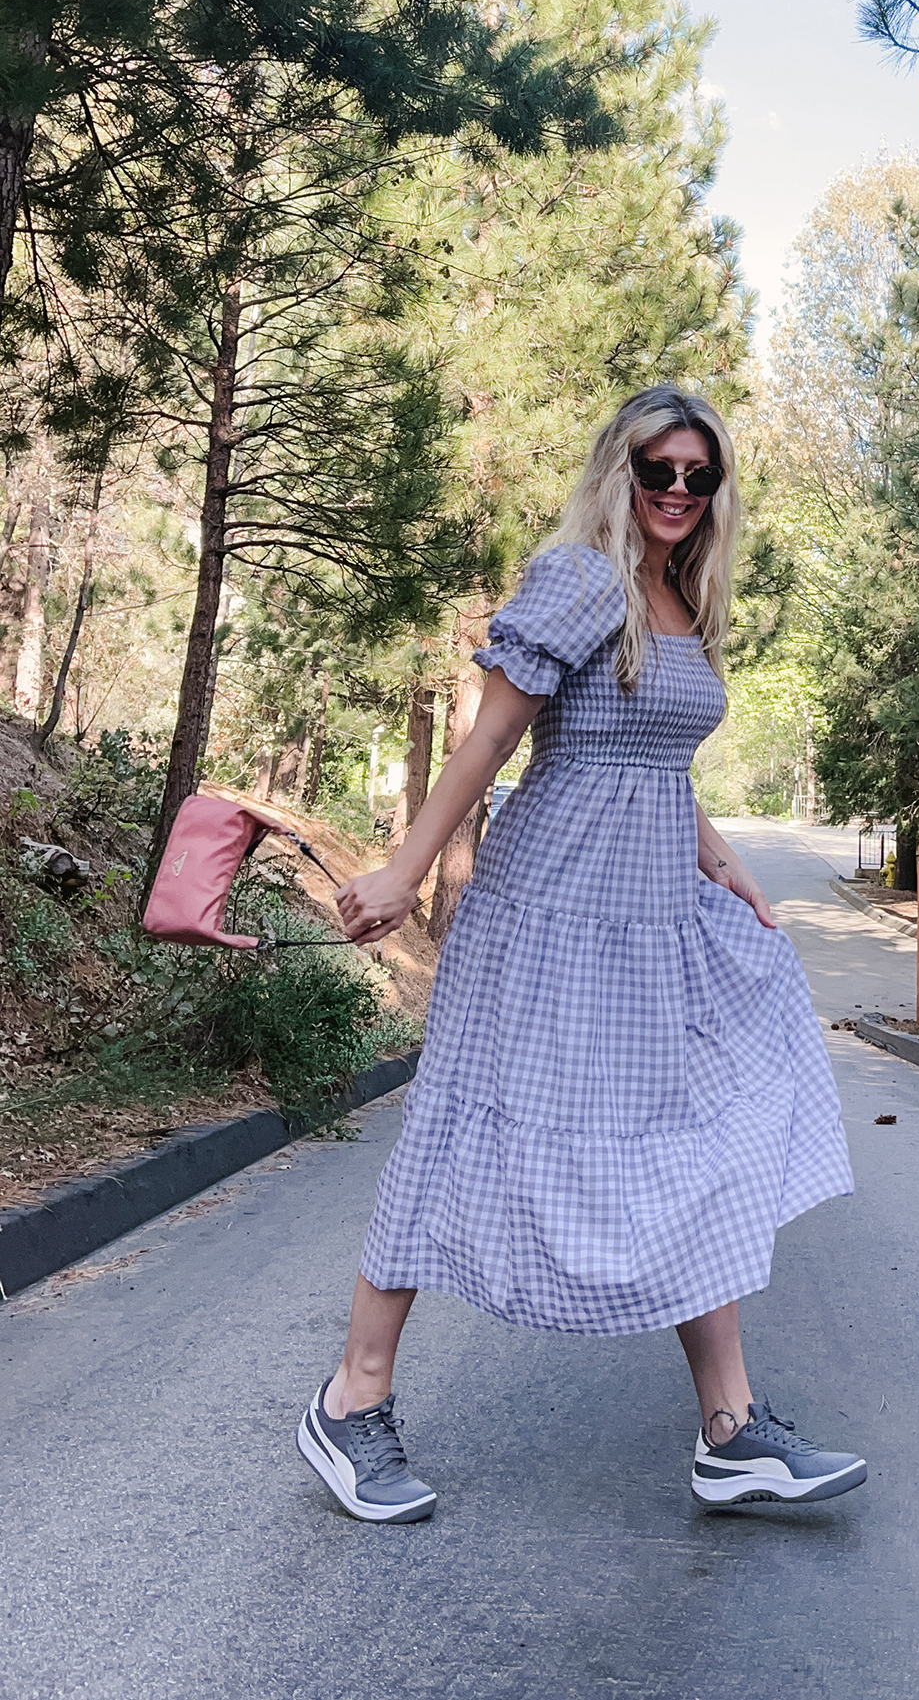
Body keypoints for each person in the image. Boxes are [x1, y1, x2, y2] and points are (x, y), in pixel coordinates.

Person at [296, 385, 862, 1523]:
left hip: (649, 918)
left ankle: (731, 1429)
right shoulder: (580, 581)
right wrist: (406, 869)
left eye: (700, 476)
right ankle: (351, 1398)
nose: (678, 493)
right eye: (660, 469)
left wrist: (718, 857)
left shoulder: (682, 598)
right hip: (546, 911)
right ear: (621, 471)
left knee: (689, 1140)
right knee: (461, 1123)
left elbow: (655, 752)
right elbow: (494, 736)